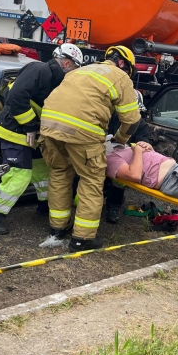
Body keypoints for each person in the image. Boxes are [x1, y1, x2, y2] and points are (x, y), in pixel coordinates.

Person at [40, 46, 141, 251]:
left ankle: (57, 229)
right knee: (91, 180)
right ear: (123, 64)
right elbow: (131, 121)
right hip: (82, 132)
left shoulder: (80, 70)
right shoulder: (121, 77)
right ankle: (82, 239)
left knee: (59, 173)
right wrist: (121, 139)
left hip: (49, 127)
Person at [0, 43, 84, 234]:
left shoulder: (56, 81)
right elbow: (16, 98)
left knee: (43, 170)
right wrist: (30, 125)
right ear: (67, 63)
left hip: (31, 134)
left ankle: (45, 206)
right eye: (75, 68)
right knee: (20, 175)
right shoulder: (40, 69)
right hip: (14, 130)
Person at [106, 141, 178, 206]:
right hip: (173, 179)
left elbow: (144, 164)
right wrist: (138, 151)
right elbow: (134, 175)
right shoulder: (110, 159)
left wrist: (148, 149)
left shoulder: (117, 147)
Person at [104, 89, 150, 223]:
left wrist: (136, 147)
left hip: (123, 159)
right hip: (103, 153)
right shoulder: (109, 116)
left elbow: (144, 144)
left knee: (119, 181)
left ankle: (113, 206)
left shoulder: (140, 124)